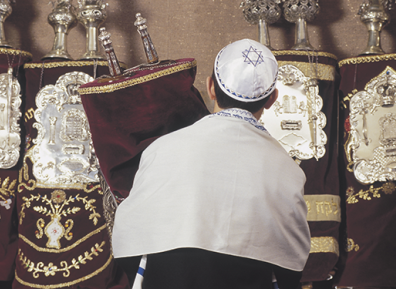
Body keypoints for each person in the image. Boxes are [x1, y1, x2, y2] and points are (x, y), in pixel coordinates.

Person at [112, 39, 311, 289]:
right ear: (272, 99)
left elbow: (129, 237)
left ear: (210, 87)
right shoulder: (288, 169)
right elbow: (291, 260)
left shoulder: (162, 148)